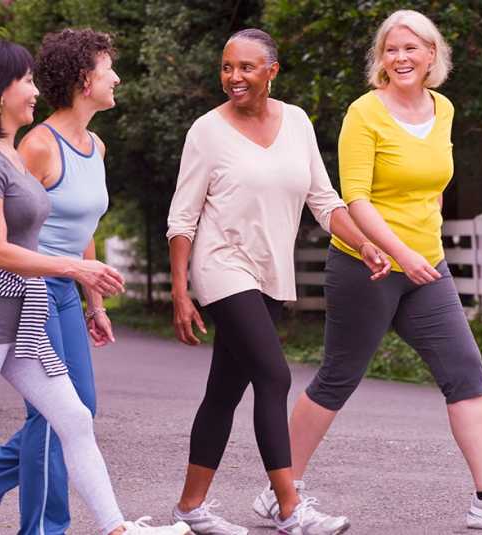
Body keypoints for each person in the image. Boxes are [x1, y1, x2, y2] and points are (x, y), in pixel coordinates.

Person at [250, 10, 482, 531]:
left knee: (464, 369)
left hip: (425, 267)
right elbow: (357, 200)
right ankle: (283, 491)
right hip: (366, 267)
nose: (402, 58)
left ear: (433, 54)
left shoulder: (445, 109)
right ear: (380, 59)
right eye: (391, 50)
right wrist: (398, 253)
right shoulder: (364, 113)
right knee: (338, 377)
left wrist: (423, 245)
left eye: (412, 48)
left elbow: (432, 183)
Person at [0, 38, 188, 535]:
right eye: (26, 81)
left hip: (23, 321)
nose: (36, 90)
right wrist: (75, 271)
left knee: (75, 419)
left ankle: (116, 528)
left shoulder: (10, 158)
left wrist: (86, 292)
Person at [166, 29, 390, 535]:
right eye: (226, 67)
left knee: (224, 390)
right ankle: (290, 507)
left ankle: (190, 507)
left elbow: (324, 200)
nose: (233, 77)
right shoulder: (206, 131)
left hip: (270, 271)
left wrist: (366, 243)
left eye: (245, 67)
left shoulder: (297, 122)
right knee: (274, 375)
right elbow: (182, 219)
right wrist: (181, 291)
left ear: (272, 70)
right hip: (221, 264)